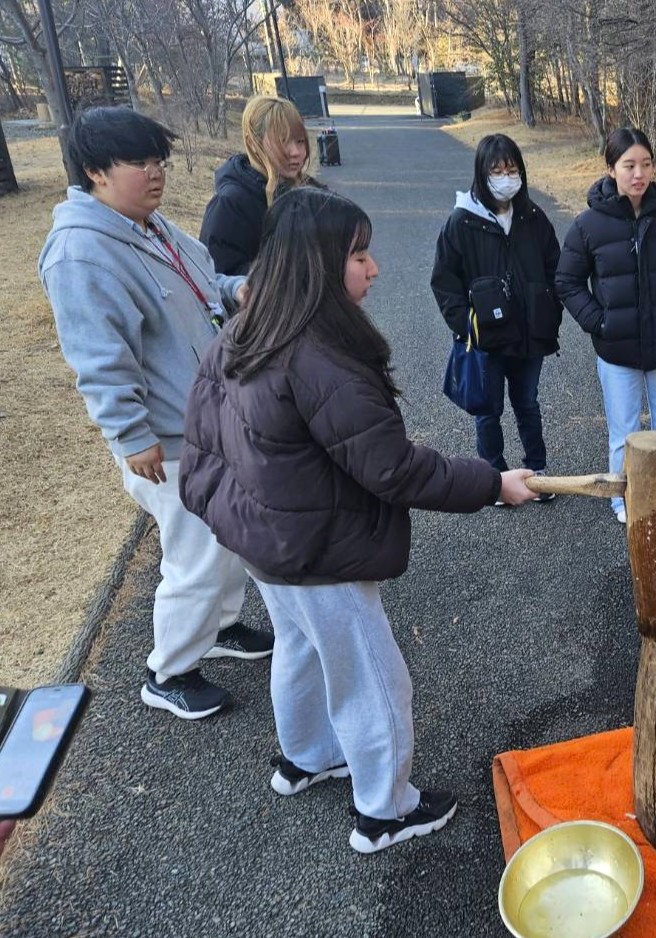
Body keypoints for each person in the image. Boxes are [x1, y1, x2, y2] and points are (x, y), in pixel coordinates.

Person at [180, 187, 538, 853]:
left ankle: (306, 758)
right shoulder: (319, 356)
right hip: (317, 553)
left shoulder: (242, 333)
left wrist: (221, 513)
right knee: (371, 676)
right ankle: (385, 810)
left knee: (302, 648)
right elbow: (393, 468)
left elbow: (200, 440)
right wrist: (491, 483)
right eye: (359, 255)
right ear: (316, 265)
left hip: (265, 542)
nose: (373, 268)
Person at [39, 106, 271, 721]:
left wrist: (234, 289)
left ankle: (218, 629)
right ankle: (168, 670)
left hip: (205, 419)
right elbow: (98, 358)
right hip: (165, 439)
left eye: (158, 159)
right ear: (94, 170)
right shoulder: (82, 253)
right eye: (138, 161)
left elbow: (202, 282)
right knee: (193, 554)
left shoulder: (149, 225)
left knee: (222, 538)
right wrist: (130, 436)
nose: (155, 171)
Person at [555, 128, 656, 524]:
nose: (639, 174)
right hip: (617, 350)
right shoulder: (588, 224)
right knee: (624, 431)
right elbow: (566, 281)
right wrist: (599, 322)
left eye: (646, 164)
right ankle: (622, 498)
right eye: (629, 165)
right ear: (611, 169)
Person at [431, 134, 562, 500]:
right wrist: (467, 325)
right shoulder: (462, 222)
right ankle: (496, 477)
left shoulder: (533, 217)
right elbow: (443, 282)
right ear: (482, 173)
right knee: (488, 410)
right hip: (486, 340)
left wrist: (550, 310)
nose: (506, 177)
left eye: (512, 169)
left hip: (529, 335)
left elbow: (556, 267)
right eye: (497, 170)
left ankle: (538, 473)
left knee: (528, 405)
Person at [200, 95, 318, 275]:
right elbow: (218, 280)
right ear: (253, 142)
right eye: (283, 141)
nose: (295, 152)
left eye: (300, 141)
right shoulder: (231, 204)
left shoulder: (310, 190)